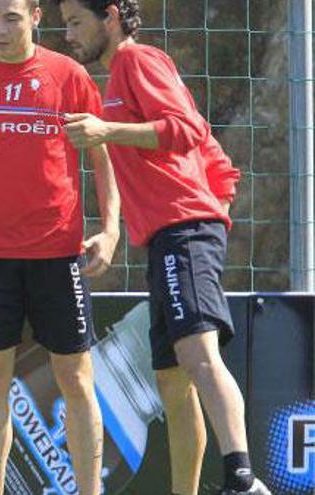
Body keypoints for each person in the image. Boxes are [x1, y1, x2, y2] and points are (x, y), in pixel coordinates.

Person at [53, 1, 272, 494]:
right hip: (170, 236)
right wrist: (210, 200)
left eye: (75, 22)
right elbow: (212, 152)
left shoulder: (137, 61)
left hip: (183, 233)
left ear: (110, 16)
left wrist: (108, 132)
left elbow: (186, 130)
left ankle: (242, 481)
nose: (68, 34)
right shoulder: (115, 80)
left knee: (198, 356)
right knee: (172, 383)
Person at [0, 0, 121, 493]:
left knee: (75, 379)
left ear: (35, 15)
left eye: (10, 17)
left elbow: (102, 156)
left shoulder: (69, 75)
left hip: (57, 253)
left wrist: (111, 228)